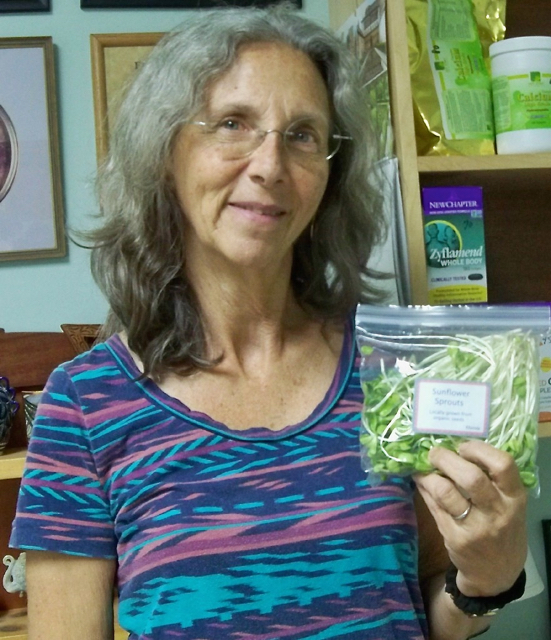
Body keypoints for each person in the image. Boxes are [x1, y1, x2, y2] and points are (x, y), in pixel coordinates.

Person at [10, 4, 528, 639]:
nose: (270, 166)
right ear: (165, 153)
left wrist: (488, 581)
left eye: (304, 134)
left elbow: (424, 614)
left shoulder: (393, 368)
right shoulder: (86, 404)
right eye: (233, 124)